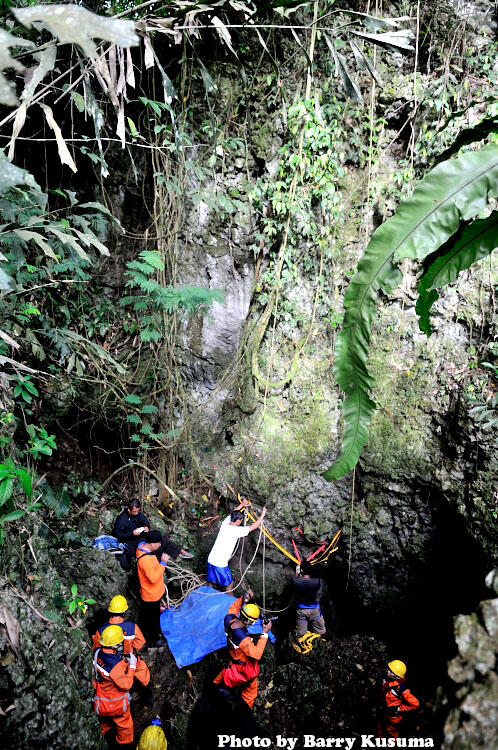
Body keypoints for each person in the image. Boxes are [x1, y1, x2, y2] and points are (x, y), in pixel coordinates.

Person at [92, 624, 151, 749]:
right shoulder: (116, 665)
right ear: (114, 645)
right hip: (115, 702)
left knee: (105, 722)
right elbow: (126, 685)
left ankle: (104, 737)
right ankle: (125, 745)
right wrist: (132, 667)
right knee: (125, 724)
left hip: (100, 697)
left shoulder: (97, 653)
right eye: (120, 642)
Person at [213, 591, 272, 709]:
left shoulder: (229, 620)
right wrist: (264, 634)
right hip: (241, 669)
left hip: (230, 662)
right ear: (250, 621)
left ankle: (214, 690)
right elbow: (256, 654)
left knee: (219, 681)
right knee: (250, 692)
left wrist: (242, 599)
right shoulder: (243, 639)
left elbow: (233, 608)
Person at [91, 595, 153, 706]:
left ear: (110, 612)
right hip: (130, 658)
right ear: (124, 612)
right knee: (143, 673)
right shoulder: (131, 626)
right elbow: (140, 643)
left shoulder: (102, 629)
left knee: (120, 681)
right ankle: (148, 698)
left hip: (113, 663)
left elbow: (97, 647)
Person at [113, 498, 193, 570]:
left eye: (138, 511)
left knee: (158, 537)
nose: (137, 513)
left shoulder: (137, 514)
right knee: (153, 546)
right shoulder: (122, 519)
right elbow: (117, 535)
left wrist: (146, 526)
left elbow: (145, 520)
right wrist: (132, 533)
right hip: (131, 542)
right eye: (135, 511)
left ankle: (180, 551)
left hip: (142, 535)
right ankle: (160, 562)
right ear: (129, 510)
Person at [207, 499, 266, 592]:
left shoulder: (225, 523)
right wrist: (262, 515)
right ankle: (231, 604)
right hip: (220, 564)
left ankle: (207, 595)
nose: (241, 522)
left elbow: (233, 512)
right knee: (229, 583)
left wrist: (242, 504)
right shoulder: (237, 531)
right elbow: (254, 526)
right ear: (238, 520)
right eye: (241, 520)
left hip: (211, 559)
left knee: (211, 581)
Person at [136, 530, 169, 648]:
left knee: (150, 617)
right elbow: (153, 578)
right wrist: (163, 563)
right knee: (152, 620)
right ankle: (153, 641)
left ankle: (152, 634)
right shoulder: (145, 560)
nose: (160, 545)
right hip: (151, 595)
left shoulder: (142, 548)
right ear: (151, 544)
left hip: (153, 593)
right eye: (158, 543)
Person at [377, 660, 420, 740]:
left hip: (393, 716)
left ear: (396, 676)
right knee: (381, 726)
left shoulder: (401, 689)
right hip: (383, 710)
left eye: (390, 670)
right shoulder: (387, 680)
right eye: (388, 668)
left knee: (392, 734)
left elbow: (415, 704)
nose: (387, 670)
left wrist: (398, 708)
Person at [291, 560, 326, 654]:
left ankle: (305, 650)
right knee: (321, 631)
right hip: (314, 610)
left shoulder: (296, 581)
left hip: (302, 611)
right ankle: (319, 647)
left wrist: (297, 573)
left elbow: (295, 581)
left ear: (301, 570)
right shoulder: (317, 582)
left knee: (301, 634)